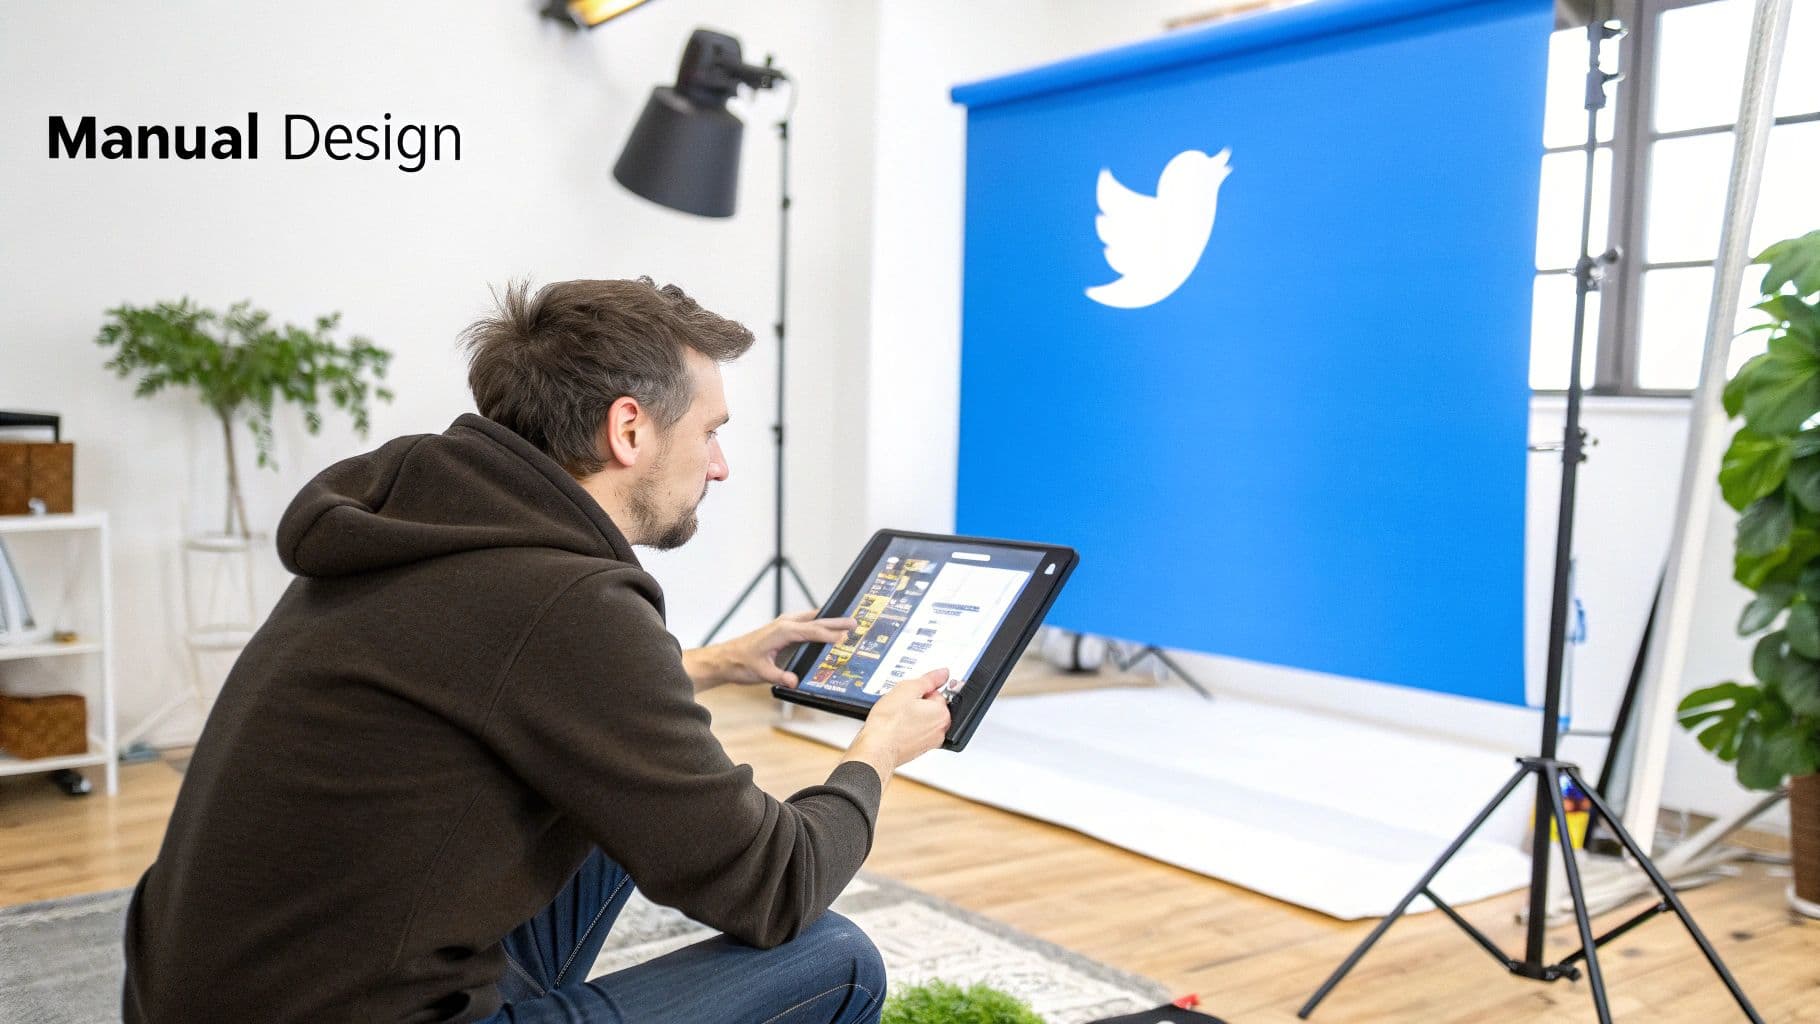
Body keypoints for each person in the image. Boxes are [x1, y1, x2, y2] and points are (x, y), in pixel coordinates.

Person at [121, 277, 955, 1024]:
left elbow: (484, 676)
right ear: (630, 428)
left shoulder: (421, 527)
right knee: (834, 959)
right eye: (710, 432)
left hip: (208, 995)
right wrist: (875, 754)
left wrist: (710, 662)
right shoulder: (568, 601)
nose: (722, 466)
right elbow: (775, 887)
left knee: (615, 805)